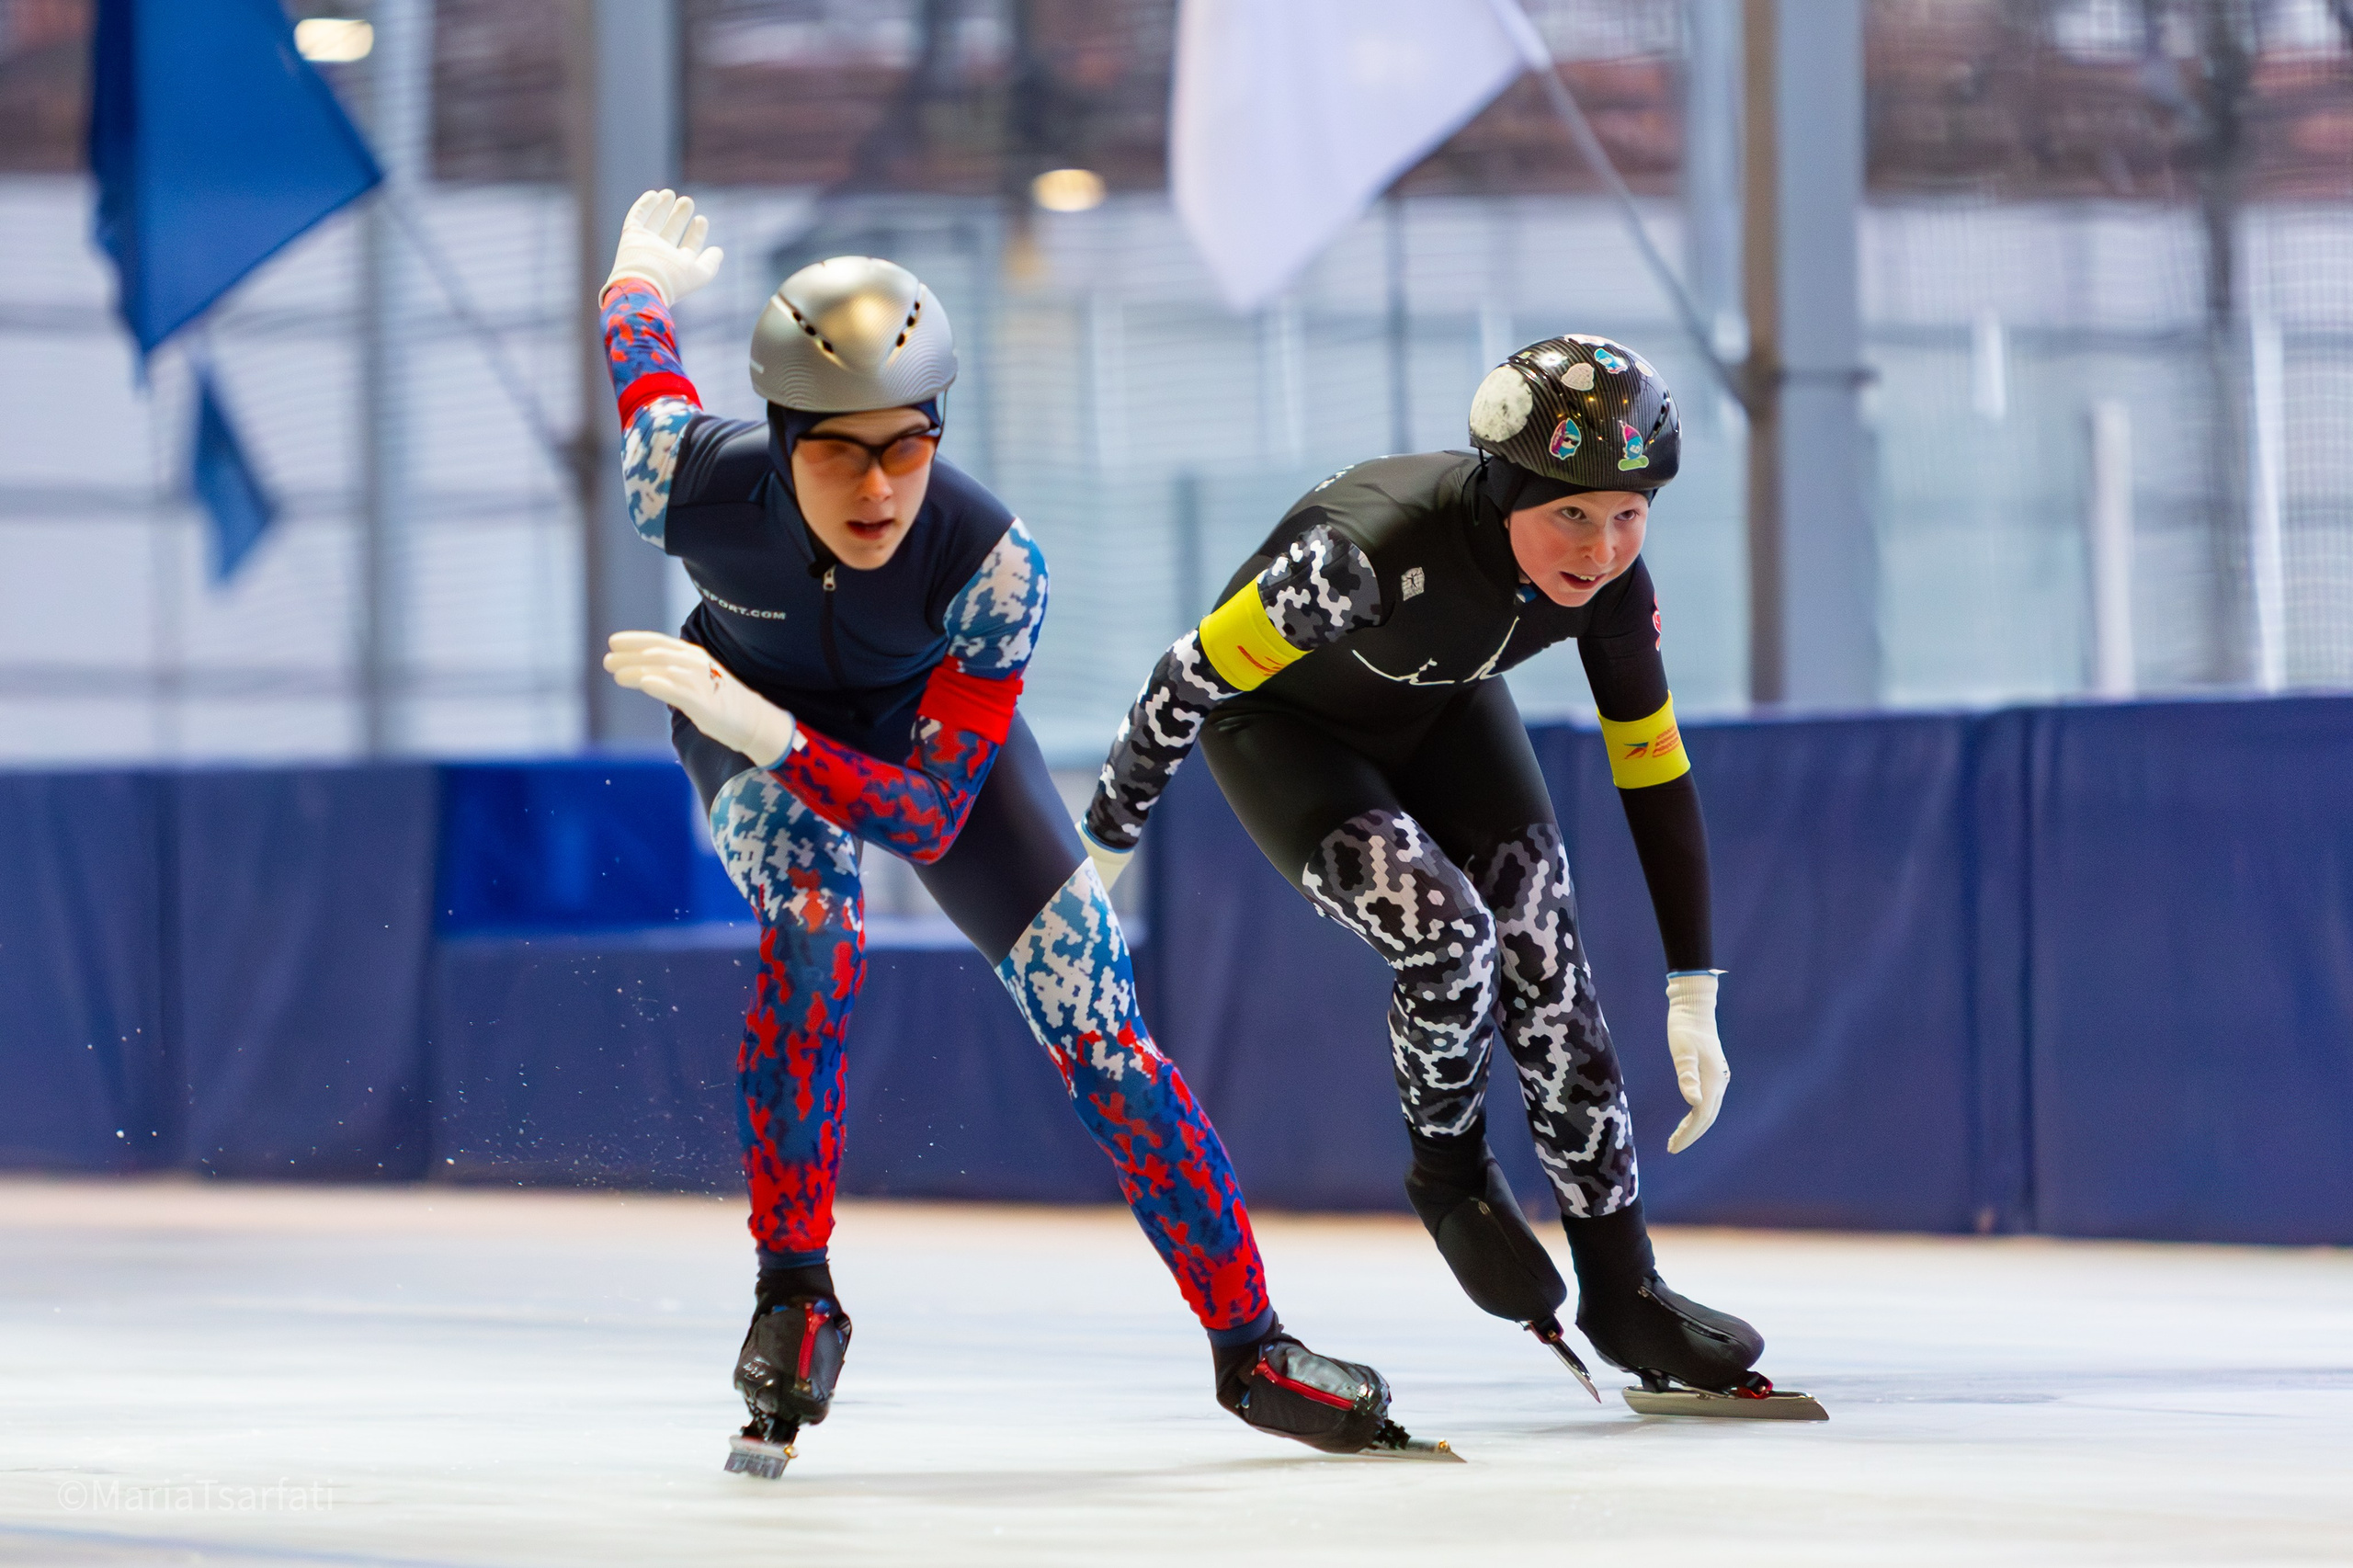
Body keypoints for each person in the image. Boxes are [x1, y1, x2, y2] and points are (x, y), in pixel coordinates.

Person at [590, 191, 1446, 1473]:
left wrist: (762, 726)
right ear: (777, 439)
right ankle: (794, 1291)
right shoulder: (682, 484)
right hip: (741, 715)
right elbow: (643, 368)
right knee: (814, 931)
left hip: (900, 743)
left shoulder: (997, 565)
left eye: (907, 445)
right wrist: (633, 282)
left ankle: (1253, 1345)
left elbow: (929, 815)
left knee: (1101, 1030)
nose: (878, 487)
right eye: (837, 453)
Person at [1077, 335, 1818, 1415]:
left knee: (1546, 960)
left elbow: (1654, 773)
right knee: (1449, 936)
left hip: (1443, 705)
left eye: (1629, 512)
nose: (1602, 547)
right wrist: (1099, 851)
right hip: (1284, 729)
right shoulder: (1361, 557)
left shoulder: (1612, 585)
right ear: (1506, 487)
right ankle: (1449, 1172)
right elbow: (1178, 685)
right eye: (1571, 512)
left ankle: (1623, 1287)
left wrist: (1692, 987)